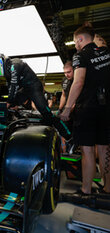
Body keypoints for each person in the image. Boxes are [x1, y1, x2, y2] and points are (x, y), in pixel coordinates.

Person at [60, 25, 110, 194]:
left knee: (87, 149)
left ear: (81, 39)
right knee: (104, 149)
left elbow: (78, 81)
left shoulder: (80, 56)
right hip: (106, 109)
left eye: (76, 42)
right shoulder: (106, 52)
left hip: (88, 109)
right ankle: (108, 187)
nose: (75, 46)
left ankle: (86, 190)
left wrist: (67, 109)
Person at [0, 53, 71, 140]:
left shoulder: (14, 64)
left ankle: (68, 135)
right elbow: (10, 88)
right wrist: (12, 103)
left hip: (34, 87)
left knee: (46, 113)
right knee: (11, 106)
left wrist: (9, 102)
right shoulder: (7, 70)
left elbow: (14, 85)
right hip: (25, 89)